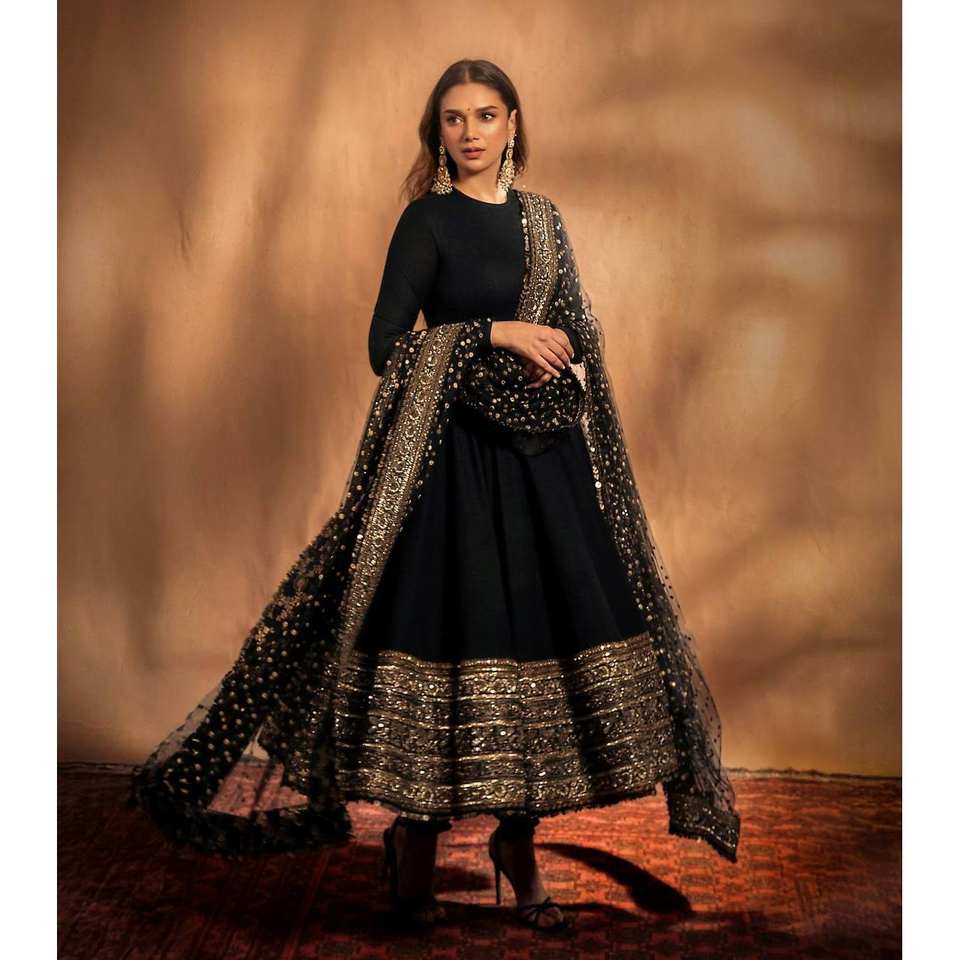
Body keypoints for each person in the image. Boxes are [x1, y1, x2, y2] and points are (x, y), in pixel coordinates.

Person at [128, 58, 741, 934]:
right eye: (454, 118)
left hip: (544, 469)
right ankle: (414, 843)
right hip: (452, 470)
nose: (471, 132)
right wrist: (494, 332)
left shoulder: (544, 221)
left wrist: (556, 348)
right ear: (437, 133)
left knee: (542, 642)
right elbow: (387, 346)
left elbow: (576, 332)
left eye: (487, 115)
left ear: (513, 124)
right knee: (454, 635)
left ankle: (517, 848)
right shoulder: (427, 222)